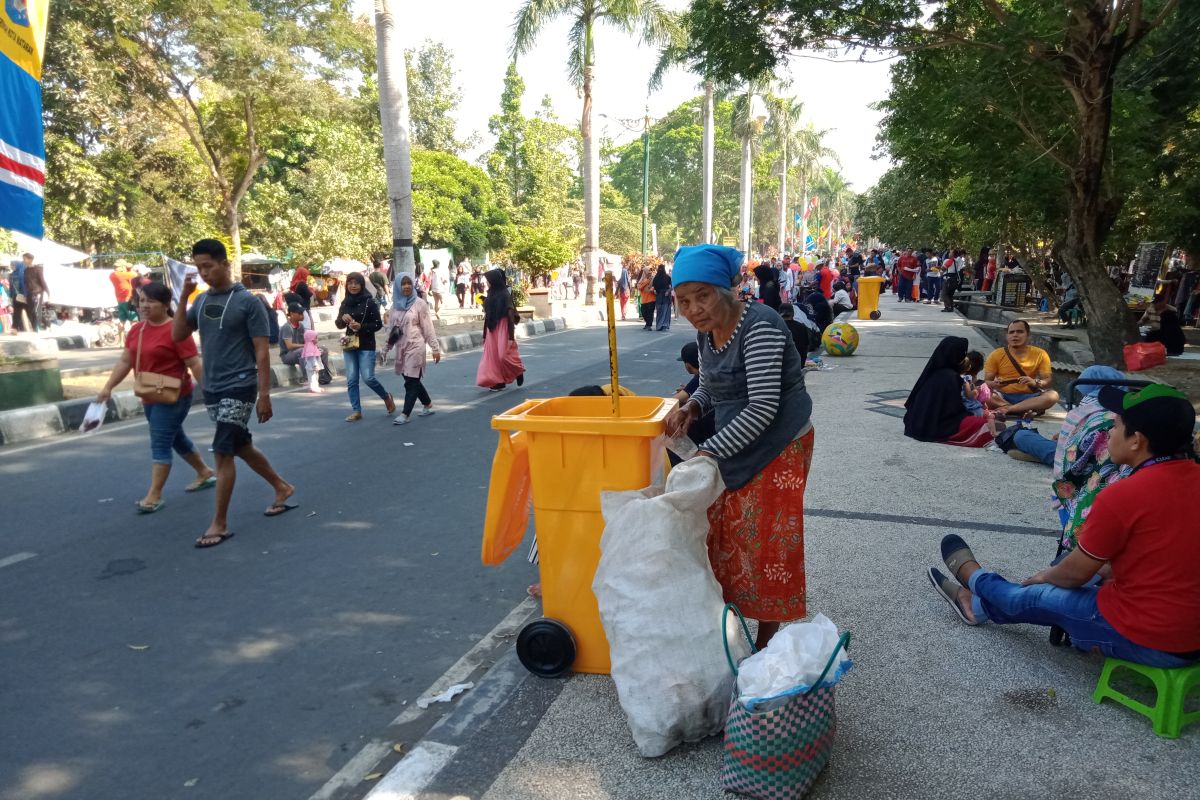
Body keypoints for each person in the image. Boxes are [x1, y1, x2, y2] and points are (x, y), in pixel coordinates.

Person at [926, 383, 1200, 668]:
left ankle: (976, 582)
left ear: (1136, 440)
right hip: (1192, 634)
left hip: (1151, 640)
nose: (1108, 433)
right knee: (1085, 570)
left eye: (1116, 426)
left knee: (1039, 593)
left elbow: (1074, 576)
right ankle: (981, 606)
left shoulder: (1124, 494)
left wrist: (1047, 576)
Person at [664, 244, 815, 650]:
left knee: (767, 540)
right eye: (683, 301)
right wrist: (693, 407)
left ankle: (766, 646)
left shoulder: (760, 326)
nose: (694, 308)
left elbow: (764, 406)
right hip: (738, 436)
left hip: (780, 442)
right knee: (723, 531)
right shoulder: (706, 333)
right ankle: (726, 626)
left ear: (728, 288)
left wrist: (706, 452)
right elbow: (714, 385)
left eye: (703, 295)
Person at [174, 239, 295, 548]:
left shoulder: (248, 302)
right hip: (212, 387)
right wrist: (185, 297)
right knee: (239, 445)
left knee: (223, 450)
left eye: (208, 266)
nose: (203, 273)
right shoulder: (200, 302)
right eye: (199, 267)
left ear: (225, 264)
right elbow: (178, 335)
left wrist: (264, 393)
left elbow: (261, 350)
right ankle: (281, 487)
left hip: (239, 385)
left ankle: (219, 523)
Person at [97, 281, 215, 514]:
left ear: (164, 304)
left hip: (174, 395)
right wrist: (108, 386)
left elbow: (194, 363)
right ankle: (204, 472)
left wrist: (210, 391)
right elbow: (125, 361)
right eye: (141, 301)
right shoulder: (137, 330)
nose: (144, 306)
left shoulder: (177, 330)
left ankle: (154, 495)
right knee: (175, 437)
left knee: (160, 442)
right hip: (149, 393)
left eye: (151, 301)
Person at [903, 336, 994, 447]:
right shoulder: (951, 377)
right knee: (984, 425)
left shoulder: (935, 372)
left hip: (916, 422)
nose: (965, 358)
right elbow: (954, 411)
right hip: (935, 426)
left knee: (987, 419)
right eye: (963, 354)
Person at [336, 272, 395, 421]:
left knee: (368, 378)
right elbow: (339, 324)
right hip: (350, 345)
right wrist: (343, 319)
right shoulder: (345, 302)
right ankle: (357, 411)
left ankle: (386, 396)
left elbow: (377, 324)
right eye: (350, 283)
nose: (353, 286)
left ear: (362, 285)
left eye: (356, 283)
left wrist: (361, 326)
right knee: (351, 379)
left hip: (366, 345)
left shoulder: (370, 302)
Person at [389, 272, 442, 424]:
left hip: (416, 346)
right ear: (398, 286)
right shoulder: (395, 305)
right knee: (411, 379)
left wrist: (435, 348)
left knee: (411, 381)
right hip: (401, 347)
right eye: (403, 284)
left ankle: (405, 414)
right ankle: (428, 404)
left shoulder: (420, 304)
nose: (406, 286)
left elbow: (428, 328)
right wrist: (386, 348)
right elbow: (391, 330)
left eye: (409, 283)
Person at [982, 320, 1060, 416]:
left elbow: (1047, 381)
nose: (1015, 335)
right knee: (982, 393)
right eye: (1011, 332)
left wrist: (1035, 382)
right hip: (1002, 396)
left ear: (1028, 335)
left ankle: (1010, 409)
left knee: (1053, 396)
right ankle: (1021, 409)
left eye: (1020, 332)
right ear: (1007, 336)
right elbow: (987, 382)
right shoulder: (996, 354)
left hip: (1030, 397)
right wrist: (995, 384)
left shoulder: (1040, 354)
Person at [476, 268, 526, 391]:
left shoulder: (505, 294)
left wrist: (511, 336)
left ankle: (517, 371)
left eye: (488, 281)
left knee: (503, 355)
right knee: (491, 357)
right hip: (491, 329)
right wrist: (485, 334)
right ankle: (497, 382)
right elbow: (488, 316)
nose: (487, 283)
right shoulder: (490, 294)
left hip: (503, 327)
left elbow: (509, 316)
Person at [279, 302, 331, 388]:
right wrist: (306, 346)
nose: (302, 315)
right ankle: (307, 379)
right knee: (303, 352)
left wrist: (313, 343)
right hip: (288, 355)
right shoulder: (287, 327)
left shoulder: (301, 326)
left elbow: (306, 341)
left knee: (323, 350)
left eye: (302, 313)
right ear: (291, 314)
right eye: (299, 313)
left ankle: (323, 376)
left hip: (300, 350)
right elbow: (289, 346)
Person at [110, 260, 140, 340]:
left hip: (119, 301)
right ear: (123, 267)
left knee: (121, 321)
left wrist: (127, 269)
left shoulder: (112, 275)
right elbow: (135, 274)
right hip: (128, 299)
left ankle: (121, 342)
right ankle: (135, 340)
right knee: (134, 321)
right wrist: (129, 268)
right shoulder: (123, 274)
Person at [653, 261, 674, 330]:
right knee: (665, 311)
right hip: (665, 296)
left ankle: (659, 325)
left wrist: (655, 291)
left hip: (659, 296)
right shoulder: (667, 277)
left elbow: (654, 287)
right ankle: (664, 325)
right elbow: (672, 287)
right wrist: (668, 291)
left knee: (660, 311)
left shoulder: (655, 278)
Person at [637, 265, 657, 329]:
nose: (650, 273)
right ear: (645, 272)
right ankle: (647, 323)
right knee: (644, 312)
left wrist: (653, 288)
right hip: (644, 300)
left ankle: (649, 325)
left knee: (650, 313)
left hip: (652, 299)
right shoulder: (642, 280)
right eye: (648, 271)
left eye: (650, 272)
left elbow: (656, 285)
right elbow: (640, 287)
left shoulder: (654, 278)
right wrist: (647, 281)